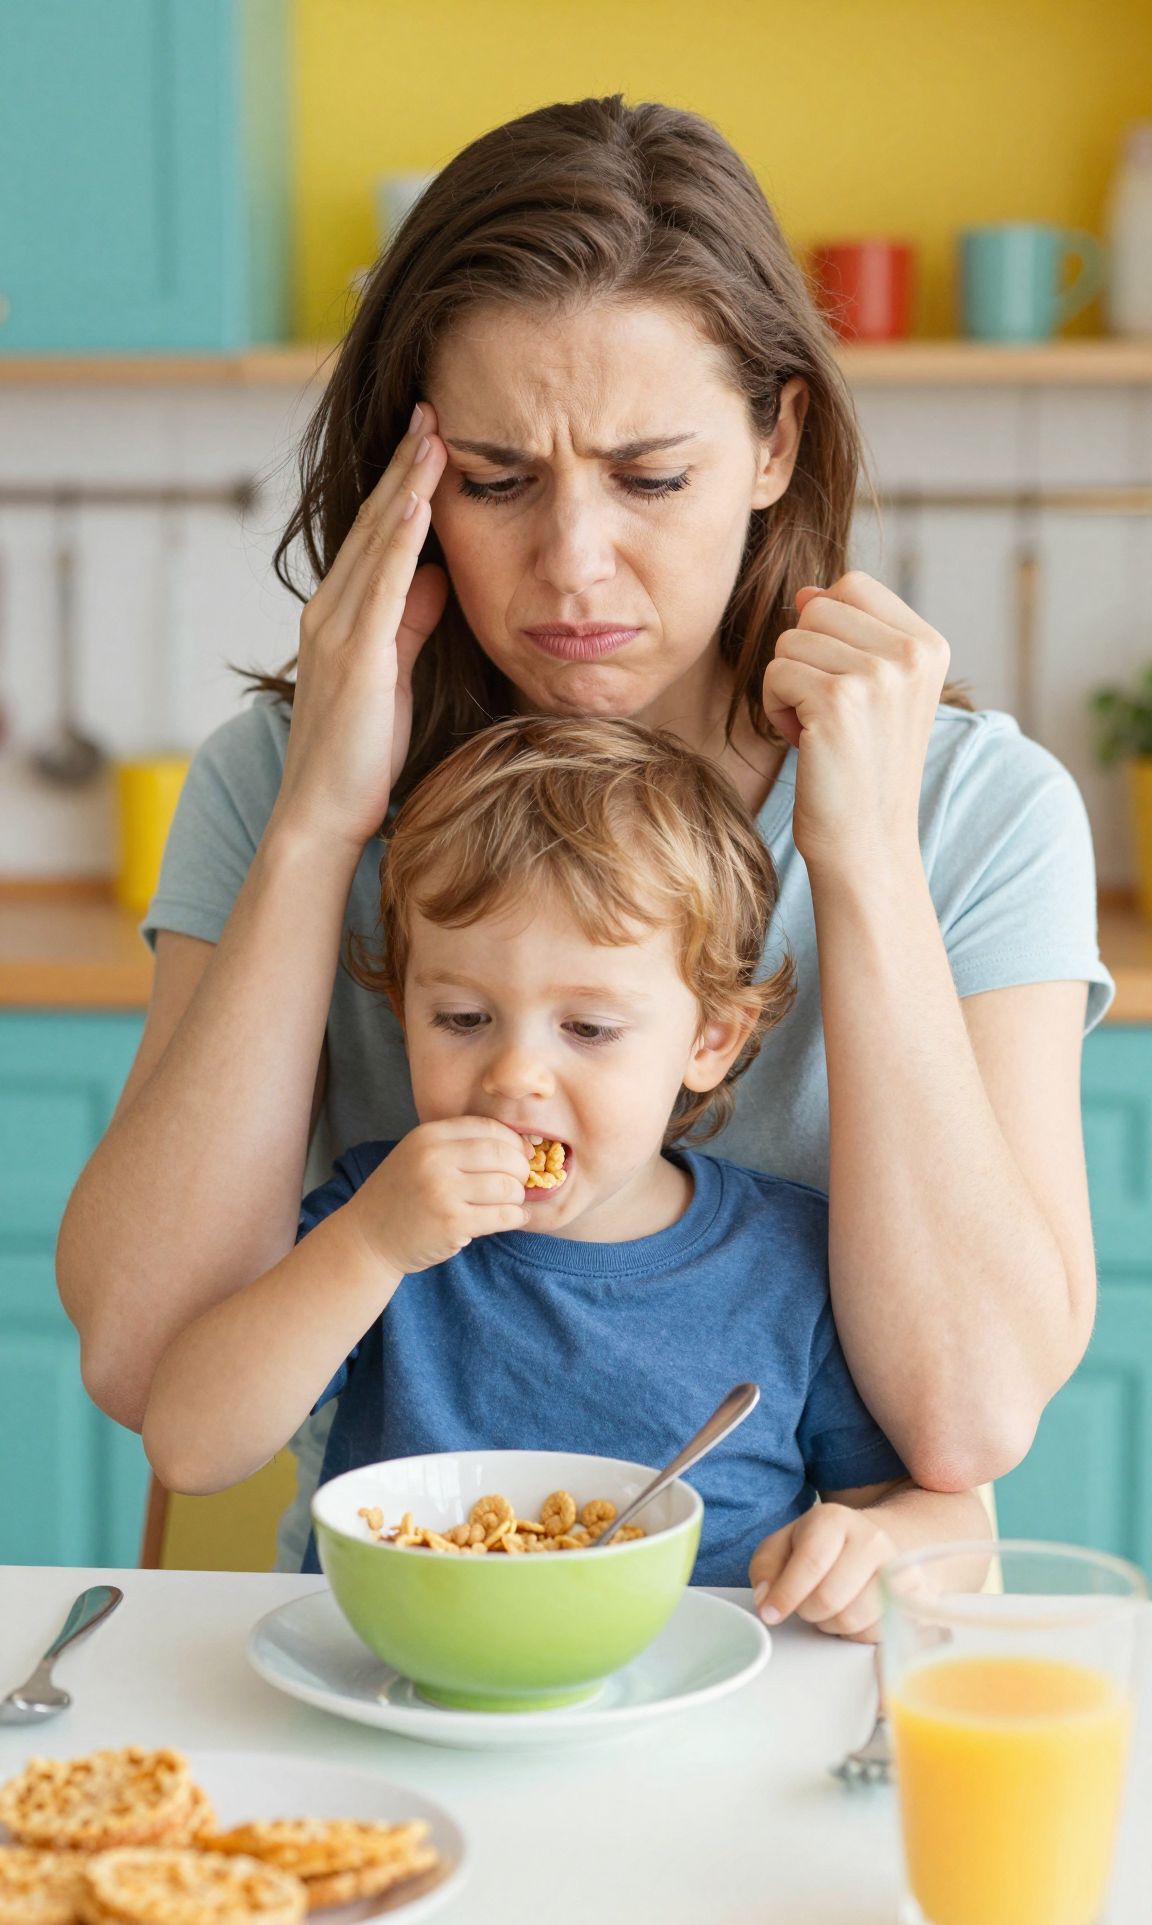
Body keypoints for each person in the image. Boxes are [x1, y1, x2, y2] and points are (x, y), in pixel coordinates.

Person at [59, 96, 1111, 1578]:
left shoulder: (977, 812)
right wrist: (316, 822)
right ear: (410, 484)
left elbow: (970, 1420)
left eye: (651, 477)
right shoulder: (286, 785)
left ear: (773, 443)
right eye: (495, 481)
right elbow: (138, 1365)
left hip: (782, 1658)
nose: (572, 567)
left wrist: (862, 852)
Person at [141, 718, 989, 1634]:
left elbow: (956, 1528)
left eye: (587, 1029)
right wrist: (370, 1245)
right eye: (464, 1018)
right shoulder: (379, 1218)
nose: (514, 1076)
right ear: (402, 1010)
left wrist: (876, 1551)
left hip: (695, 1713)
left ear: (710, 1039)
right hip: (412, 1682)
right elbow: (191, 1446)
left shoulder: (790, 1260)